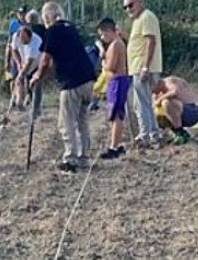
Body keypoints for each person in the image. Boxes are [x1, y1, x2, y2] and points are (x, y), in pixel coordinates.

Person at [31, 2, 96, 172]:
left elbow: (45, 60)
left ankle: (70, 159)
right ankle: (83, 158)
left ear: (47, 17)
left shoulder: (53, 31)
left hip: (72, 82)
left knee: (66, 122)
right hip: (88, 78)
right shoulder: (71, 28)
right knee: (82, 121)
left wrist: (38, 76)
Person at [123, 0, 162, 148]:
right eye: (125, 7)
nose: (128, 9)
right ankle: (153, 134)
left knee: (141, 103)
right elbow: (139, 42)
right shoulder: (139, 20)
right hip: (138, 68)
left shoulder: (146, 17)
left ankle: (145, 135)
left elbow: (150, 42)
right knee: (143, 102)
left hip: (143, 69)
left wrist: (145, 67)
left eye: (130, 5)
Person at [96, 18, 130, 160]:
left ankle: (114, 147)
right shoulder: (117, 43)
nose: (102, 38)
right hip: (117, 81)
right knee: (115, 114)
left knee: (116, 115)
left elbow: (110, 66)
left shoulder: (116, 45)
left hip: (118, 80)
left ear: (108, 31)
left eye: (102, 34)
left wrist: (102, 58)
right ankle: (115, 144)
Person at [152, 75, 198, 145]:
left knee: (166, 103)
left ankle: (179, 133)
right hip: (182, 112)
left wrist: (160, 99)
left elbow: (174, 91)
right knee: (156, 112)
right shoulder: (160, 90)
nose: (154, 93)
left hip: (191, 111)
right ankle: (177, 133)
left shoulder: (168, 82)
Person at [9, 25, 43, 111]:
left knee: (35, 84)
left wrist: (21, 74)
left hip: (36, 64)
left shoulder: (36, 43)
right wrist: (19, 63)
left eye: (24, 38)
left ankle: (36, 108)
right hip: (22, 59)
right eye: (21, 38)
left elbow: (29, 63)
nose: (22, 40)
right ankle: (19, 103)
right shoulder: (16, 36)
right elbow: (14, 50)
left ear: (30, 37)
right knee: (17, 80)